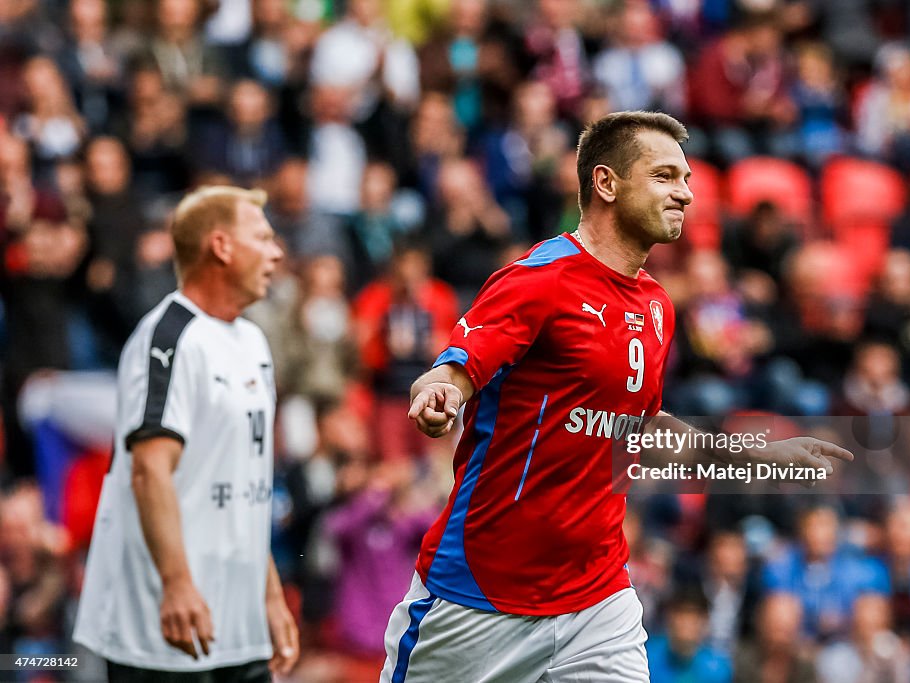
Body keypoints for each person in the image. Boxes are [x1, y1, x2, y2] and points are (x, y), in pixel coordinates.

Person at [387, 110, 854, 682]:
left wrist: (756, 453)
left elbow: (638, 428)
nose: (684, 194)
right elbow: (454, 369)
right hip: (481, 595)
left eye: (686, 180)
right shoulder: (540, 279)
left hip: (597, 597)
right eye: (664, 176)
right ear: (606, 183)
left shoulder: (657, 305)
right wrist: (439, 396)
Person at [72, 186, 299, 681]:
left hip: (236, 624)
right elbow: (149, 470)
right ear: (221, 246)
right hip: (163, 624)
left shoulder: (253, 341)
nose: (276, 252)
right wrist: (175, 584)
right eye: (262, 237)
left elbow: (245, 487)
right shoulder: (169, 339)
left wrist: (269, 596)